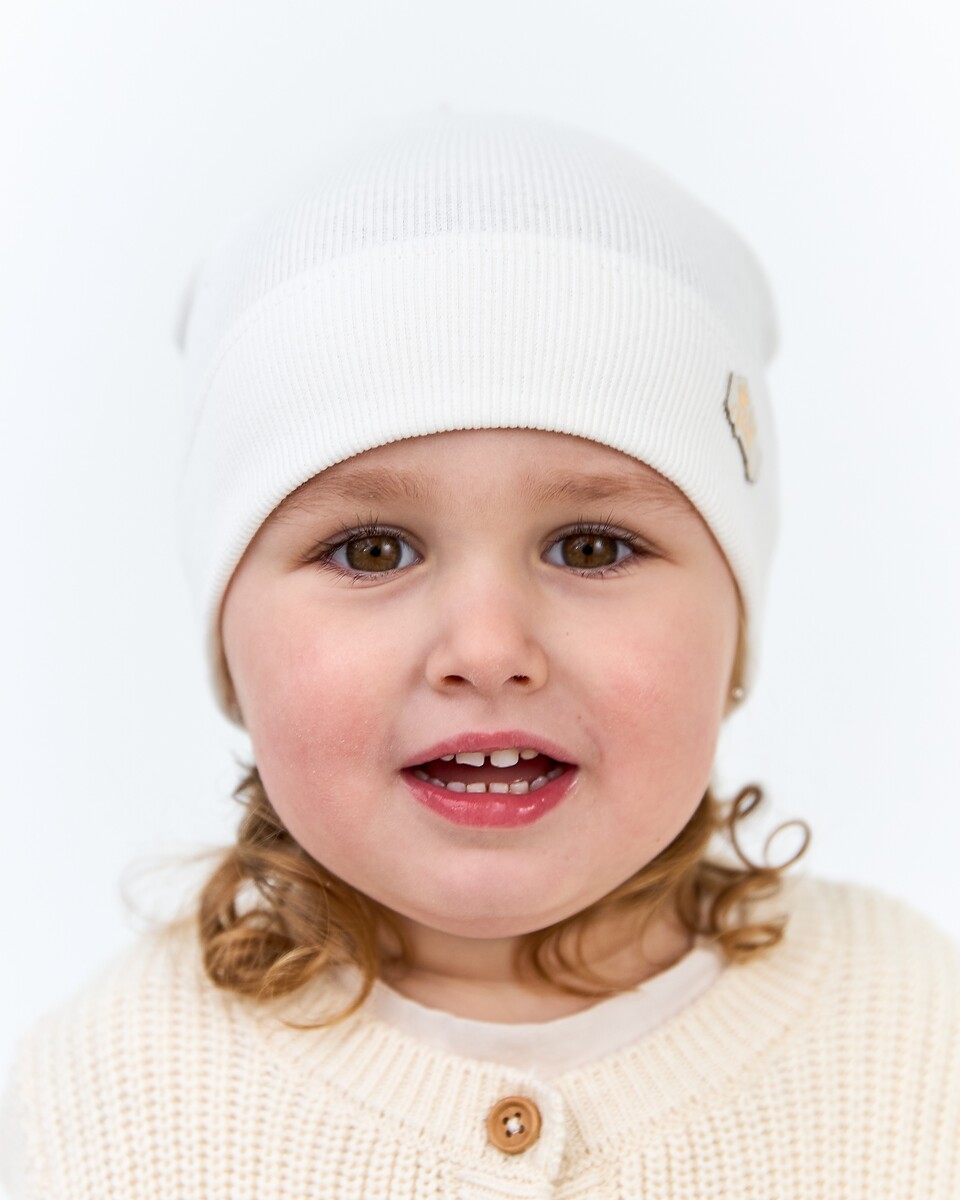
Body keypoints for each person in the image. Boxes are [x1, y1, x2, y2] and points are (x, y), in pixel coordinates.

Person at [3, 110, 957, 1199]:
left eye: (591, 546)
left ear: (736, 623)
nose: (490, 649)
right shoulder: (98, 1110)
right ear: (228, 638)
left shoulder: (919, 1037)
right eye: (372, 550)